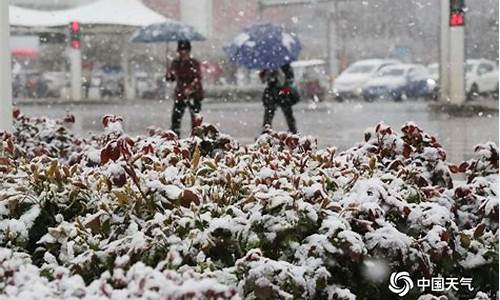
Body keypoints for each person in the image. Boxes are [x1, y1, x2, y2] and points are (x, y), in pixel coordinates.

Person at [165, 40, 204, 137]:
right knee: (175, 119)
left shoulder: (194, 63)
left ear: (189, 51)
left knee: (196, 120)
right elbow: (171, 78)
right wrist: (169, 74)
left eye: (185, 51)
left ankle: (196, 141)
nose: (183, 53)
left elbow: (197, 78)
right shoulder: (175, 63)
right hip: (180, 95)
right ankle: (175, 140)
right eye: (181, 51)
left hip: (194, 96)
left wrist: (190, 88)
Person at [260, 63, 299, 134]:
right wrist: (269, 75)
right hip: (272, 93)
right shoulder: (268, 66)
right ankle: (265, 134)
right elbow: (263, 80)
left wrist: (280, 76)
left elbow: (290, 78)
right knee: (268, 116)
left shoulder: (285, 65)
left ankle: (294, 133)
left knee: (288, 115)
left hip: (283, 93)